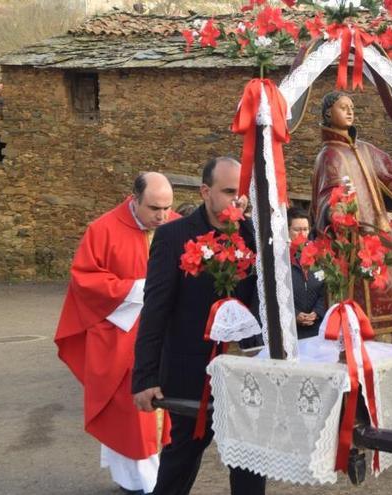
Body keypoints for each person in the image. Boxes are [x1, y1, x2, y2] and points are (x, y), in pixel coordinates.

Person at [132, 157, 266, 495]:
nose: (237, 200)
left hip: (245, 371)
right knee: (182, 459)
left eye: (241, 193)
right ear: (206, 191)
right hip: (189, 370)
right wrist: (145, 378)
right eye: (228, 191)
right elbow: (155, 310)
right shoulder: (172, 236)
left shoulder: (256, 237)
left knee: (250, 463)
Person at [54, 172, 176, 494]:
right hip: (121, 341)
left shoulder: (176, 225)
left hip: (165, 339)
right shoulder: (103, 230)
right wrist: (139, 289)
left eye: (167, 207)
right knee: (132, 417)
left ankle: (141, 479)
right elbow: (85, 281)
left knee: (166, 413)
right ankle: (144, 485)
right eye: (154, 208)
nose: (162, 217)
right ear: (134, 199)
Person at [311, 91, 392, 343]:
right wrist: (335, 212)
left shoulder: (365, 150)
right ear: (328, 113)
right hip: (354, 244)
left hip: (379, 239)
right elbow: (324, 197)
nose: (350, 111)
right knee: (360, 314)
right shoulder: (328, 156)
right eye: (343, 107)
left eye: (352, 107)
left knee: (389, 303)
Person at [288, 207, 326, 339]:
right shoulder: (281, 260)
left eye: (305, 229)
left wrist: (316, 313)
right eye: (297, 230)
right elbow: (276, 295)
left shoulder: (317, 256)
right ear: (287, 231)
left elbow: (324, 290)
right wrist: (295, 314)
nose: (302, 234)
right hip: (291, 331)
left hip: (316, 328)